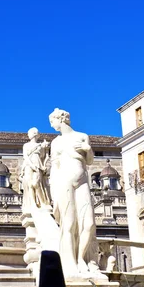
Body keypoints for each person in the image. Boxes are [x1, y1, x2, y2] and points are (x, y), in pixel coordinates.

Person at [49, 109, 97, 276]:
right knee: (68, 224)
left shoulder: (82, 136)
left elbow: (90, 161)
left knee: (89, 223)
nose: (51, 125)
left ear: (60, 119)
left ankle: (81, 258)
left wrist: (87, 148)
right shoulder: (55, 142)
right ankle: (70, 263)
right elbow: (54, 167)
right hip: (64, 182)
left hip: (82, 181)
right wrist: (53, 193)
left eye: (52, 121)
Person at [20, 128, 50, 209]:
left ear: (34, 134)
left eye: (29, 133)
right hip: (28, 165)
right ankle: (32, 204)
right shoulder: (25, 145)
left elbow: (45, 157)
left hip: (38, 164)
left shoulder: (40, 146)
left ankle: (43, 202)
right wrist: (31, 165)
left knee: (36, 183)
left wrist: (44, 165)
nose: (27, 135)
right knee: (30, 184)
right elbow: (25, 156)